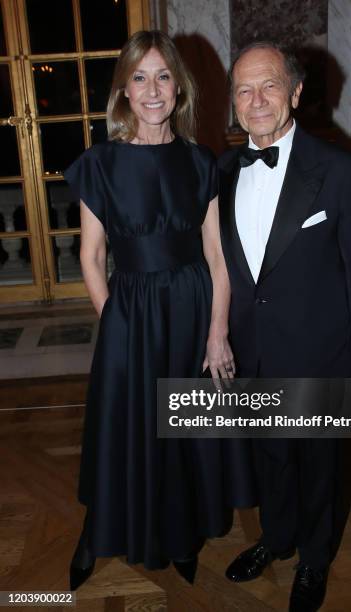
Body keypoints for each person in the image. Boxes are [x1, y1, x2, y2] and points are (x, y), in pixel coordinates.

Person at [64, 30, 256, 591]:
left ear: (180, 88)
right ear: (124, 89)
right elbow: (91, 255)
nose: (153, 90)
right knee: (122, 426)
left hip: (193, 309)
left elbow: (217, 256)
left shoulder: (200, 161)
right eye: (140, 77)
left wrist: (217, 333)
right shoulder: (99, 164)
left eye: (164, 76)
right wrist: (115, 322)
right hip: (130, 313)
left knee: (183, 431)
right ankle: (96, 530)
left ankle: (178, 534)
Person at [218, 42, 351, 611]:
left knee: (318, 464)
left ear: (296, 92)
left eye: (268, 85)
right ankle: (276, 537)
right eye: (243, 89)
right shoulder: (222, 171)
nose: (256, 99)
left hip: (320, 350)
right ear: (233, 101)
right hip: (251, 350)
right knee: (271, 456)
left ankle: (314, 559)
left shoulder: (337, 169)